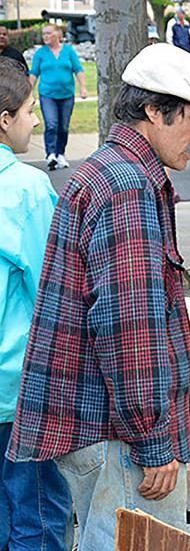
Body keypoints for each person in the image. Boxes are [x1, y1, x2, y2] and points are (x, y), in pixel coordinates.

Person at [7, 44, 190, 549]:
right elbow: (129, 331)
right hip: (116, 437)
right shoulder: (128, 185)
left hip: (101, 429)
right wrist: (154, 441)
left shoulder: (108, 171)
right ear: (154, 111)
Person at [0, 57, 73, 550]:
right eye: (29, 110)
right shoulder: (25, 188)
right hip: (19, 389)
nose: (38, 120)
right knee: (39, 522)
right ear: (4, 120)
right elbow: (55, 294)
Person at [29, 23, 87, 170]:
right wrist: (29, 93)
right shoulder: (41, 53)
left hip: (67, 95)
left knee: (63, 127)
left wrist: (83, 88)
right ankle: (50, 155)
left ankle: (60, 154)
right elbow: (34, 73)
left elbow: (78, 70)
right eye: (44, 34)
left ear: (58, 35)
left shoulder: (68, 51)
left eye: (49, 33)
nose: (45, 36)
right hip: (47, 95)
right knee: (52, 125)